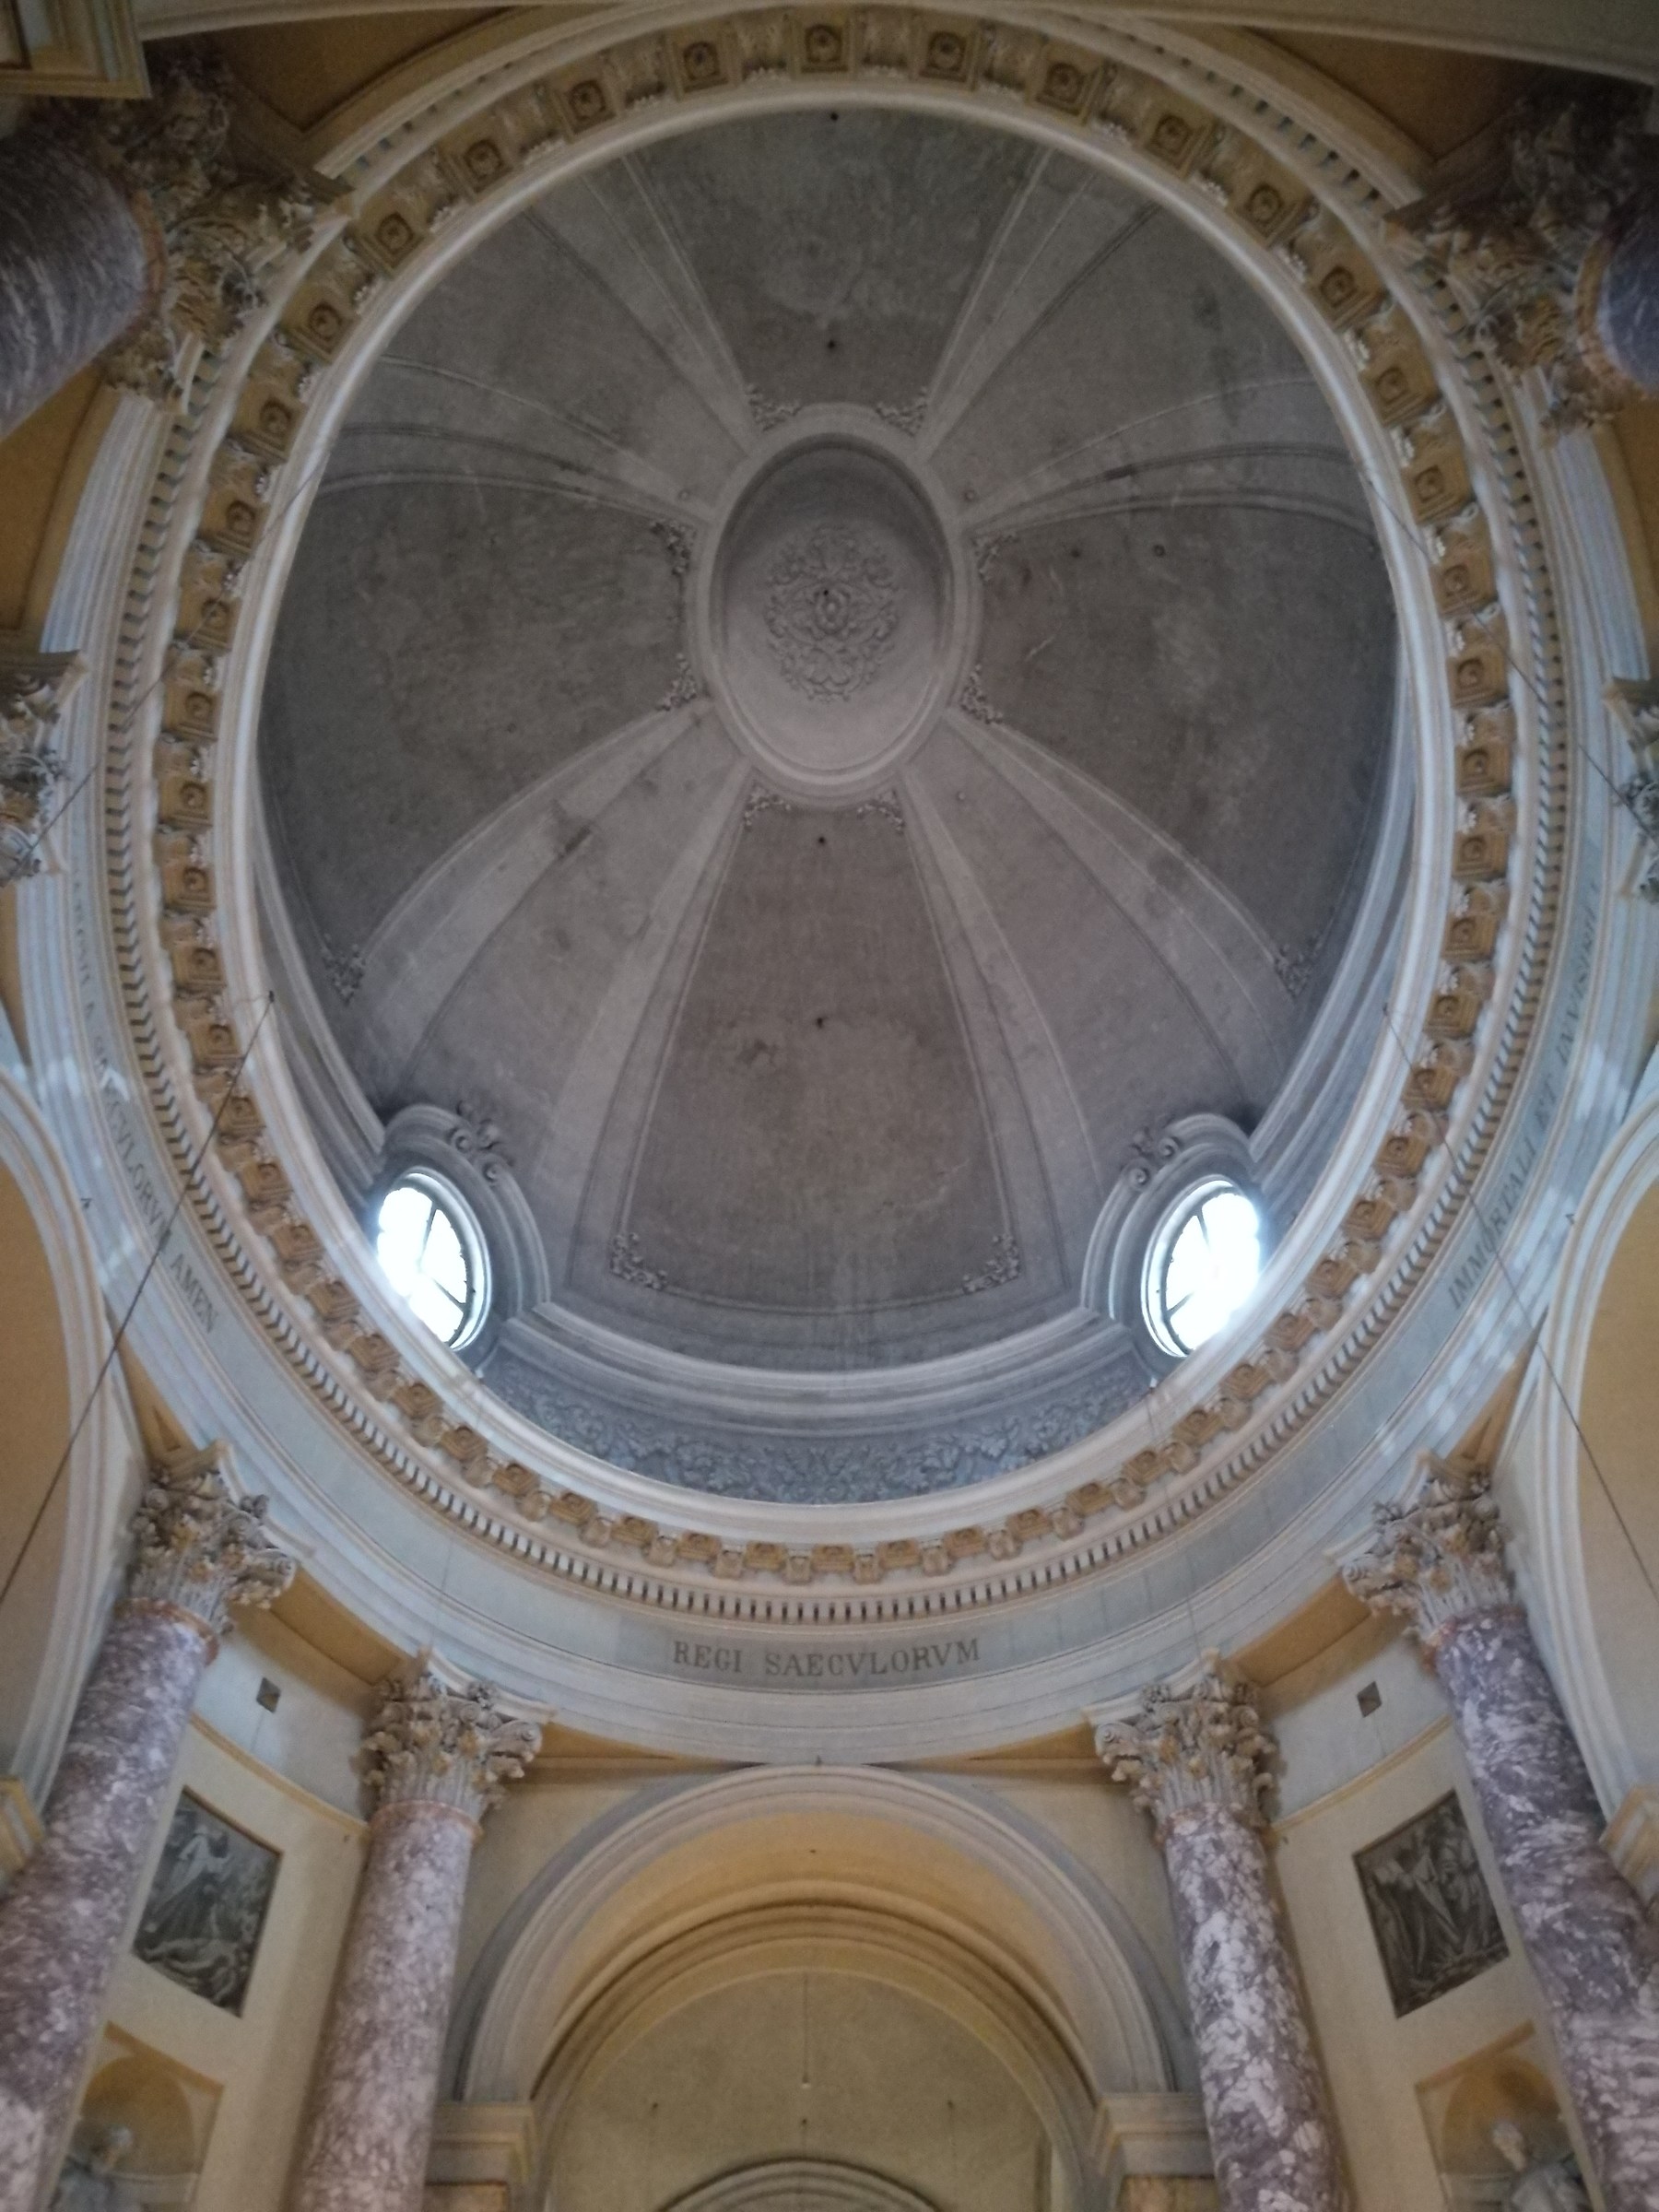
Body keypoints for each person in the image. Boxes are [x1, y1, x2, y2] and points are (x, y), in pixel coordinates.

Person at [1491, 2119, 1592, 2212]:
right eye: (1503, 2149)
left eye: (1509, 2146)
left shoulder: (1550, 2171)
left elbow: (1576, 2204)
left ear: (1520, 2144)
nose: (1507, 2153)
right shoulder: (1510, 2192)